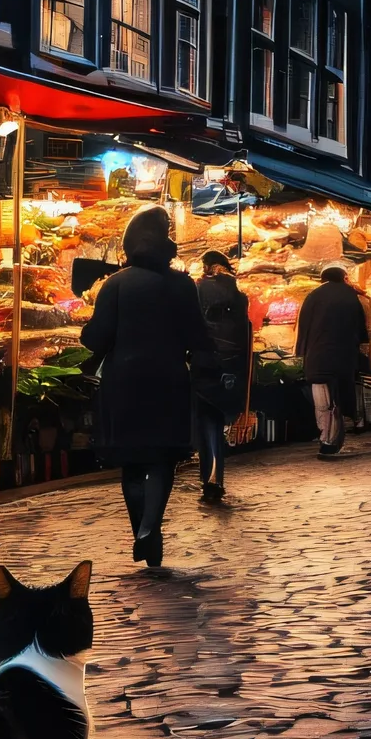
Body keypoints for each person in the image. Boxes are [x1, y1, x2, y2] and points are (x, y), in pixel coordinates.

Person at [80, 206, 206, 570]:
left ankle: (141, 529)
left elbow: (97, 337)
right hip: (168, 377)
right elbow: (197, 336)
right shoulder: (182, 284)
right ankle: (151, 526)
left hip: (124, 380)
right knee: (162, 458)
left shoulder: (115, 283)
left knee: (131, 461)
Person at [191, 251, 254, 507]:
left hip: (205, 363)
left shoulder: (198, 290)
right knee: (216, 423)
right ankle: (214, 478)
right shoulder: (240, 296)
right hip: (232, 368)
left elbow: (192, 327)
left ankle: (211, 480)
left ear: (206, 267)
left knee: (207, 423)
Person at [295, 264, 369, 458]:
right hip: (344, 358)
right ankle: (333, 439)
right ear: (343, 276)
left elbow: (303, 328)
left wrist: (301, 353)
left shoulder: (313, 296)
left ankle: (325, 438)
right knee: (338, 400)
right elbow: (361, 330)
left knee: (322, 402)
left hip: (317, 358)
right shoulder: (351, 296)